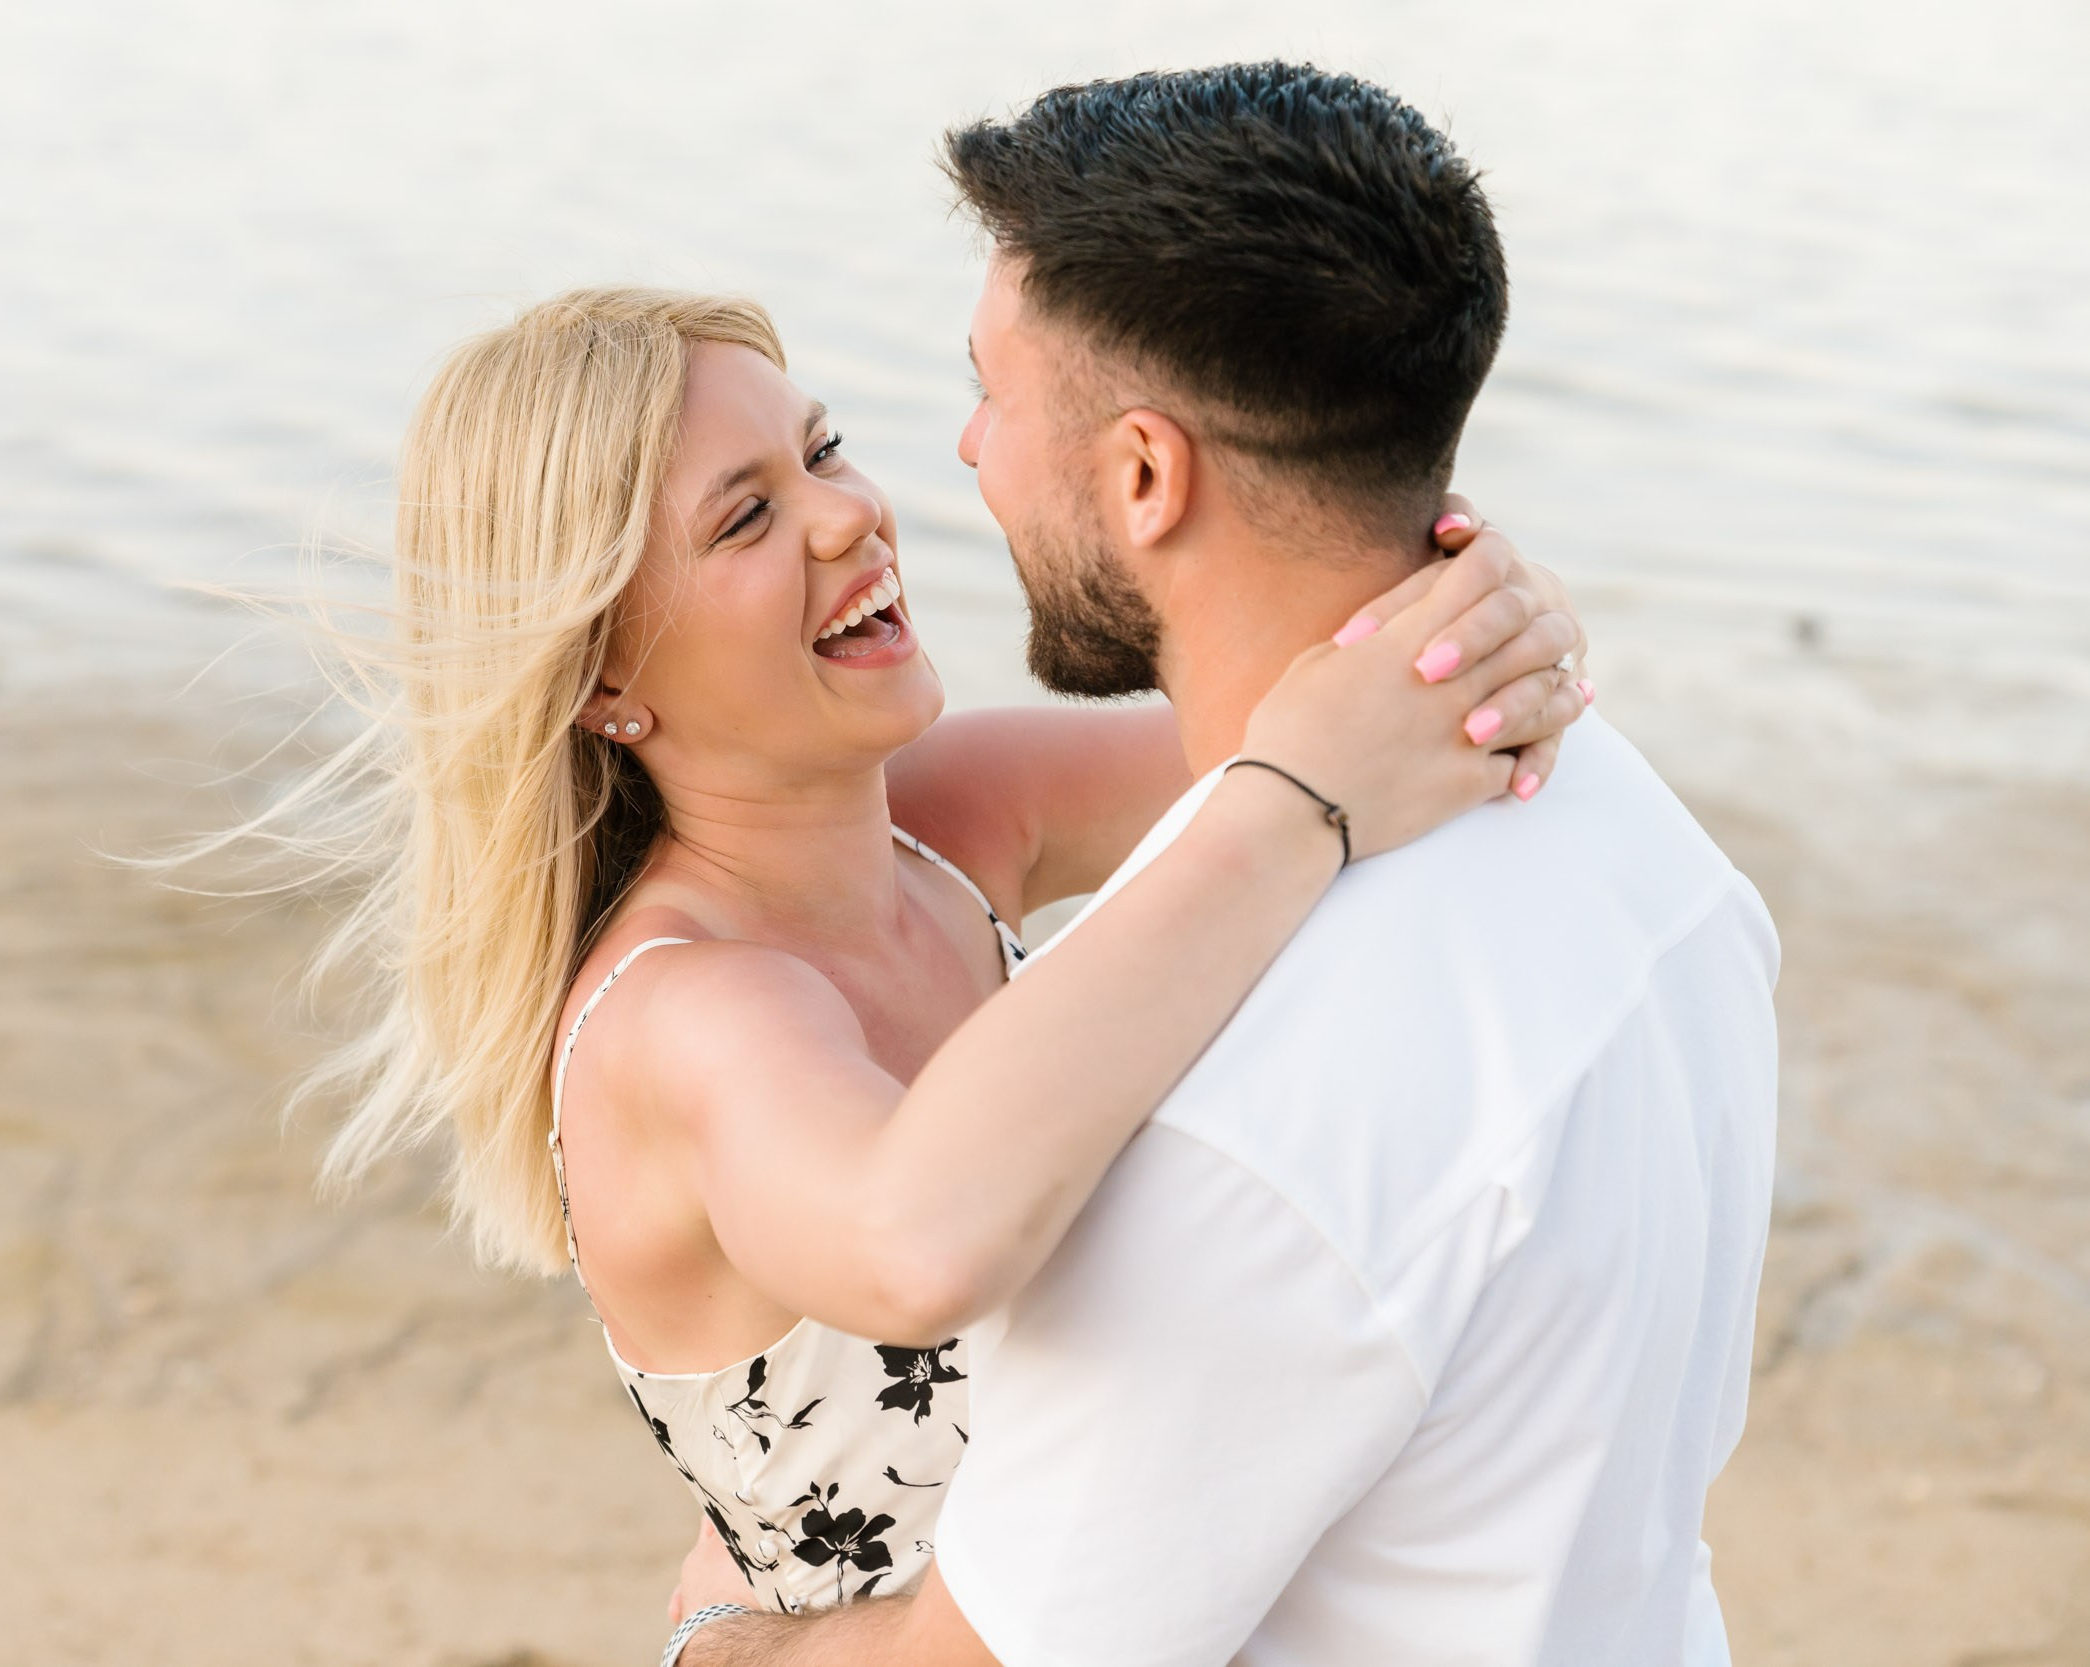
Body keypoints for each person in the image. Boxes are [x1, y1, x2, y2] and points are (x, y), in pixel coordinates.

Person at [667, 62, 1778, 1667]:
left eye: (990, 393)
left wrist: (713, 1633)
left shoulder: (1220, 1121)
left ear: (1143, 474)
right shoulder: (1646, 843)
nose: (964, 453)